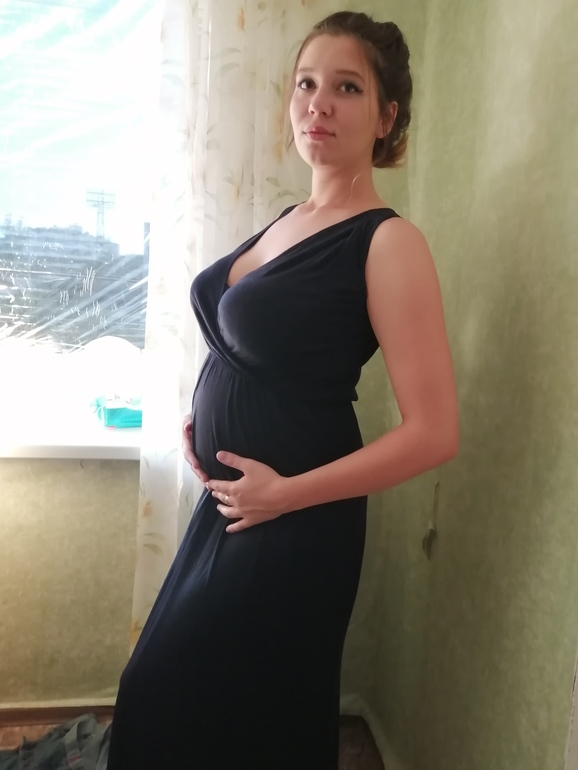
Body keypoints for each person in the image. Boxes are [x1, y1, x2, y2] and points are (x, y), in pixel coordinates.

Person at [106, 10, 459, 770]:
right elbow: (260, 350)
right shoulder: (289, 219)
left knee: (182, 697)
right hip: (236, 506)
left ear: (387, 117)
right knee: (203, 707)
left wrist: (287, 494)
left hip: (296, 519)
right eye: (305, 83)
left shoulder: (388, 241)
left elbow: (434, 432)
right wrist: (200, 412)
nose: (317, 103)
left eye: (347, 87)